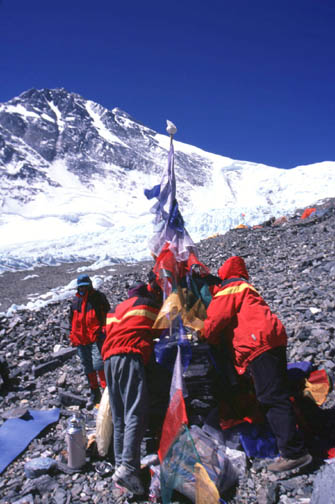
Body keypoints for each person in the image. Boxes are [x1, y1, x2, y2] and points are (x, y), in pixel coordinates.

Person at [203, 256, 312, 473]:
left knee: (271, 398)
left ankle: (294, 452)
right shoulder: (247, 287)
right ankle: (295, 445)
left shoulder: (231, 287)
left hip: (257, 343)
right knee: (277, 393)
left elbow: (214, 321)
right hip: (272, 341)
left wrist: (205, 335)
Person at [102, 278, 163, 495]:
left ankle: (121, 468)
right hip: (130, 356)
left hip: (108, 360)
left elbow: (105, 334)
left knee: (119, 418)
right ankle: (129, 466)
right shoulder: (146, 305)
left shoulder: (115, 310)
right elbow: (163, 328)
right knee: (135, 413)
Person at [69, 274, 110, 408]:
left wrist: (104, 331)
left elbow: (107, 315)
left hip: (96, 338)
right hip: (81, 339)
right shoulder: (76, 301)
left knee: (99, 365)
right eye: (81, 287)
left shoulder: (98, 298)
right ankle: (94, 393)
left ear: (90, 285)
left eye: (85, 287)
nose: (83, 289)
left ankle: (106, 394)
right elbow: (72, 319)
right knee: (87, 367)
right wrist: (73, 335)